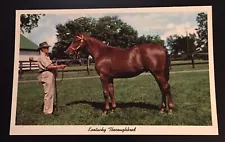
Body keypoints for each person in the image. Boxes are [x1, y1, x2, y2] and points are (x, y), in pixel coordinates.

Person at [37, 41, 66, 115]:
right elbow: (48, 66)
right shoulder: (41, 57)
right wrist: (59, 66)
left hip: (50, 74)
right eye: (45, 48)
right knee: (48, 93)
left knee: (50, 93)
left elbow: (50, 64)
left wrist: (54, 65)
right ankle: (47, 111)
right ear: (42, 49)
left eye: (47, 47)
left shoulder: (46, 57)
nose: (47, 49)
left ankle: (49, 110)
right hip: (46, 74)